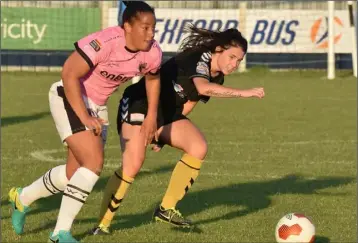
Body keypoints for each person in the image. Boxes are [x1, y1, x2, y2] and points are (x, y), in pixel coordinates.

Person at [8, 2, 162, 242]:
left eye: (153, 27)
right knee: (93, 163)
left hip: (96, 107)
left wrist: (152, 115)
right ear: (127, 26)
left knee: (73, 175)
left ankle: (22, 198)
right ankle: (60, 233)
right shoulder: (105, 42)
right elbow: (69, 73)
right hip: (69, 96)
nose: (151, 33)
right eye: (145, 27)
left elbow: (153, 79)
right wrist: (85, 117)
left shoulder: (152, 51)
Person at [90, 25, 265, 235]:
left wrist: (162, 136)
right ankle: (102, 225)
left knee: (198, 146)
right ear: (218, 49)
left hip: (165, 113)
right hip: (139, 103)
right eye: (232, 57)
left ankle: (166, 209)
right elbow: (202, 87)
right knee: (133, 165)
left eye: (239, 60)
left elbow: (189, 104)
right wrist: (245, 93)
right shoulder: (200, 57)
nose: (235, 64)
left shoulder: (217, 75)